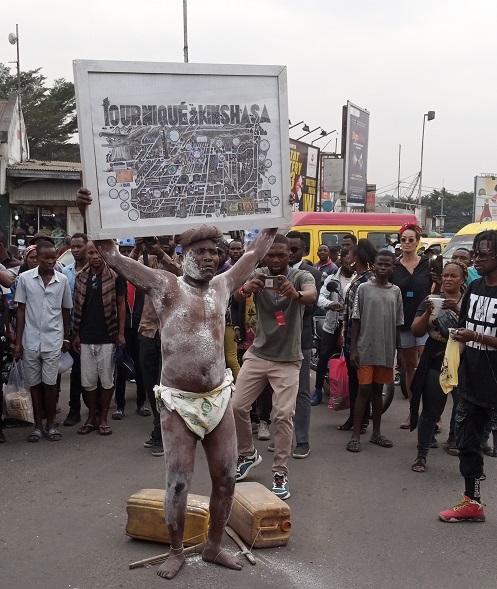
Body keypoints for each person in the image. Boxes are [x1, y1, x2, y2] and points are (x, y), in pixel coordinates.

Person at [76, 186, 280, 579]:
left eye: (214, 252)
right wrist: (91, 211)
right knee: (179, 481)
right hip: (178, 402)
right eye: (200, 252)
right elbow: (111, 254)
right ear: (185, 255)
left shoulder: (222, 285)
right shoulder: (164, 284)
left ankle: (215, 546)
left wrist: (277, 212)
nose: (208, 258)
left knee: (226, 477)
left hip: (218, 397)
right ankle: (175, 550)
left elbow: (255, 253)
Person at [232, 234, 317, 498]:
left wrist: (297, 294)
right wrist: (247, 289)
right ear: (265, 255)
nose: (278, 259)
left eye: (283, 254)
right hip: (258, 353)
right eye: (273, 255)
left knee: (282, 415)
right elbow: (236, 294)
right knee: (236, 406)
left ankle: (280, 473)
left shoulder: (301, 277)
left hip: (289, 359)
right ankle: (247, 454)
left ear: (291, 255)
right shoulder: (257, 273)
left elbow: (312, 295)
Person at [439, 230, 497, 522]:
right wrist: (453, 360)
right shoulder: (473, 287)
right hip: (472, 384)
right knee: (467, 444)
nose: (476, 259)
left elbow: (474, 332)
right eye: (475, 253)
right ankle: (472, 501)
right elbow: (463, 330)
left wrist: (477, 336)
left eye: (482, 254)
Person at [410, 262, 467, 472]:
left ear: (462, 279)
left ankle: (468, 459)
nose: (449, 279)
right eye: (445, 275)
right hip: (436, 358)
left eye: (454, 276)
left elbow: (475, 329)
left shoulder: (470, 301)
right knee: (431, 410)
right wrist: (427, 312)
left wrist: (458, 309)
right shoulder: (431, 300)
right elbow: (416, 330)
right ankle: (421, 455)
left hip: (463, 362)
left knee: (465, 411)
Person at [14, 241, 72, 442]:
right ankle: (37, 425)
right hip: (30, 339)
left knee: (50, 384)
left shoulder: (62, 280)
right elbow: (20, 310)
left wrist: (66, 336)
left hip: (53, 339)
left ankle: (51, 424)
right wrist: (18, 342)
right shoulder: (25, 279)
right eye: (45, 258)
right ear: (36, 258)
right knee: (35, 384)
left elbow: (66, 309)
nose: (50, 261)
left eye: (53, 258)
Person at [346, 250, 403, 452]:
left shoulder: (395, 291)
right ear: (374, 265)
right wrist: (353, 348)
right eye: (380, 264)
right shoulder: (363, 289)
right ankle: (355, 434)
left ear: (393, 268)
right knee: (363, 390)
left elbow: (398, 324)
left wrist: (400, 351)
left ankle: (376, 433)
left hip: (385, 350)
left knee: (378, 391)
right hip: (365, 348)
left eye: (387, 265)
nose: (383, 268)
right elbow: (355, 320)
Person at [72, 241, 126, 436]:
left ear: (103, 254)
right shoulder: (80, 277)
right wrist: (76, 333)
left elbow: (121, 305)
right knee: (88, 381)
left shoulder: (115, 276)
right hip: (85, 336)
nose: (94, 256)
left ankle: (103, 418)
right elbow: (77, 307)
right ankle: (91, 417)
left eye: (97, 253)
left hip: (107, 335)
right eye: (90, 253)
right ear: (86, 255)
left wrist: (120, 333)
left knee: (106, 380)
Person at [391, 223, 431, 429]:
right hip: (403, 324)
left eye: (410, 239)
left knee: (428, 367)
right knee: (410, 368)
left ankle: (433, 416)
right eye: (403, 239)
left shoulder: (427, 265)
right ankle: (413, 413)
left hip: (425, 322)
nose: (406, 243)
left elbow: (436, 288)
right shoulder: (394, 266)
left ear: (417, 242)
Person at [287, 230, 322, 458]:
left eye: (294, 250)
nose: (289, 254)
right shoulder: (270, 271)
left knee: (301, 392)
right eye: (286, 249)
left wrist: (293, 295)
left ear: (304, 250)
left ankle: (302, 440)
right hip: (276, 340)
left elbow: (311, 307)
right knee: (278, 393)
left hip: (301, 339)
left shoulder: (312, 274)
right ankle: (281, 436)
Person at [338, 240, 377, 430]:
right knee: (354, 382)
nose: (347, 258)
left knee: (361, 383)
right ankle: (355, 418)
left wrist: (354, 345)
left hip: (359, 341)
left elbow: (359, 316)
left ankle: (360, 420)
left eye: (350, 255)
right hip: (351, 339)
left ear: (357, 258)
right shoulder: (358, 277)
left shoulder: (366, 281)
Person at [312, 252, 355, 405]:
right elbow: (320, 297)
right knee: (324, 356)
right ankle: (317, 390)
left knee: (353, 359)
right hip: (332, 324)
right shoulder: (332, 279)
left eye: (352, 261)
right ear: (341, 262)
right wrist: (330, 304)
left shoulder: (360, 280)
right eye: (346, 261)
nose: (349, 264)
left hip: (352, 325)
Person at [113, 238, 148, 420]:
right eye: (123, 251)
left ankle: (141, 403)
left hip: (141, 330)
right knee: (121, 369)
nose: (126, 255)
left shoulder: (141, 277)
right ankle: (120, 406)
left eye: (129, 251)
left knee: (141, 369)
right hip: (123, 330)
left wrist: (140, 246)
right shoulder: (119, 276)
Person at [62, 233, 88, 426]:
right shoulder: (65, 273)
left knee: (89, 372)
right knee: (75, 371)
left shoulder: (96, 271)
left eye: (79, 246)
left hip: (89, 330)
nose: (76, 249)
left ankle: (94, 410)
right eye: (73, 246)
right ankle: (74, 410)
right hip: (70, 330)